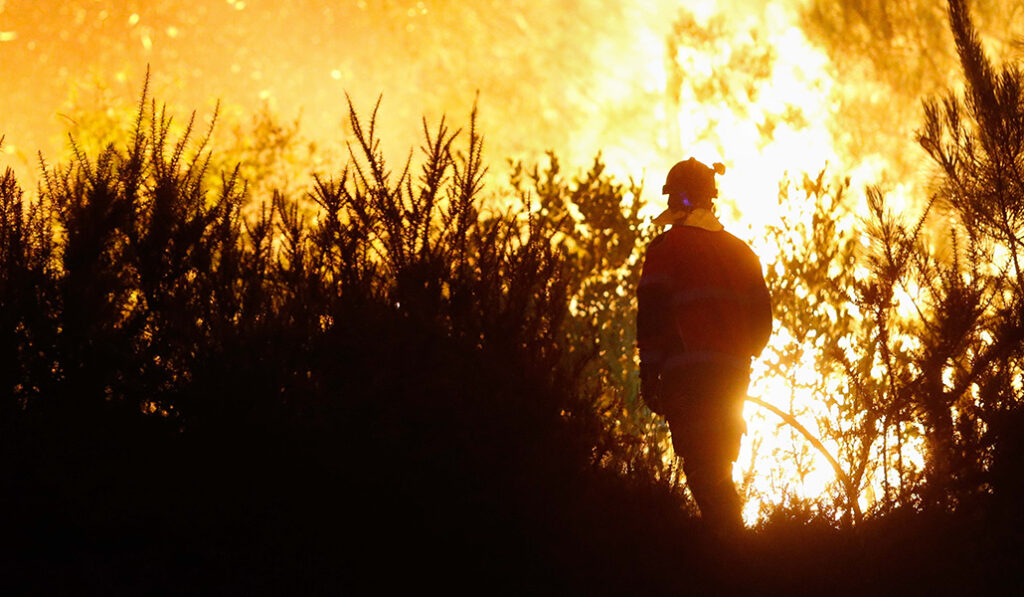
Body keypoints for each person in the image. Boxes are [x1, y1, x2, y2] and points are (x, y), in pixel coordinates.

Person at [637, 157, 772, 531]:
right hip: (732, 377)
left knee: (700, 464)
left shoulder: (665, 248)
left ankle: (730, 547)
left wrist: (649, 373)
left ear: (676, 198)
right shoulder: (742, 252)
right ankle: (734, 546)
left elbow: (651, 315)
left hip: (687, 376)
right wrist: (739, 358)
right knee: (719, 461)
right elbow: (763, 322)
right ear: (711, 199)